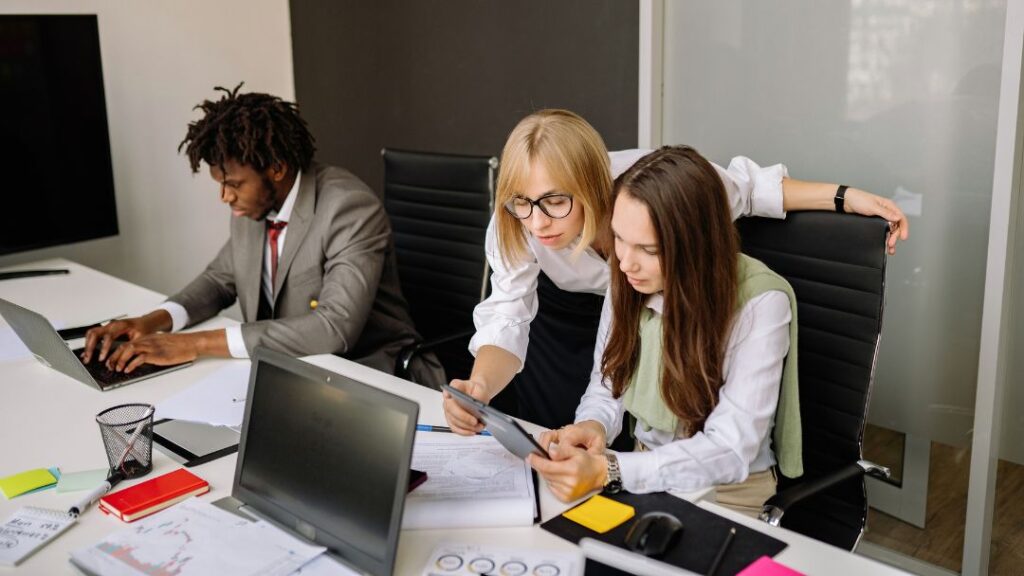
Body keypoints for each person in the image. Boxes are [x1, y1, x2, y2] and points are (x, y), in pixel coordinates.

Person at [443, 109, 907, 436]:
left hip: (649, 310)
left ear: (592, 183)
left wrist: (846, 197)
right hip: (564, 319)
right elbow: (508, 317)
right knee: (576, 427)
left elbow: (750, 189)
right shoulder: (516, 220)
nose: (537, 221)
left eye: (555, 201)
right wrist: (480, 386)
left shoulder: (657, 191)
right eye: (522, 202)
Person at [81, 84, 443, 386]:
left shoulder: (348, 208)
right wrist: (152, 321)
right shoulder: (252, 207)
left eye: (234, 184)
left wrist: (195, 344)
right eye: (221, 184)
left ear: (277, 168)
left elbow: (335, 328)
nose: (225, 197)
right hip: (288, 372)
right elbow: (219, 280)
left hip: (368, 372)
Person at [529, 146, 799, 517]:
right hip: (641, 475)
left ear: (698, 244)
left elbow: (731, 448)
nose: (625, 261)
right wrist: (592, 425)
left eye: (649, 249)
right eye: (618, 238)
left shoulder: (761, 303)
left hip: (728, 494)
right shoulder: (627, 277)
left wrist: (612, 470)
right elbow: (609, 382)